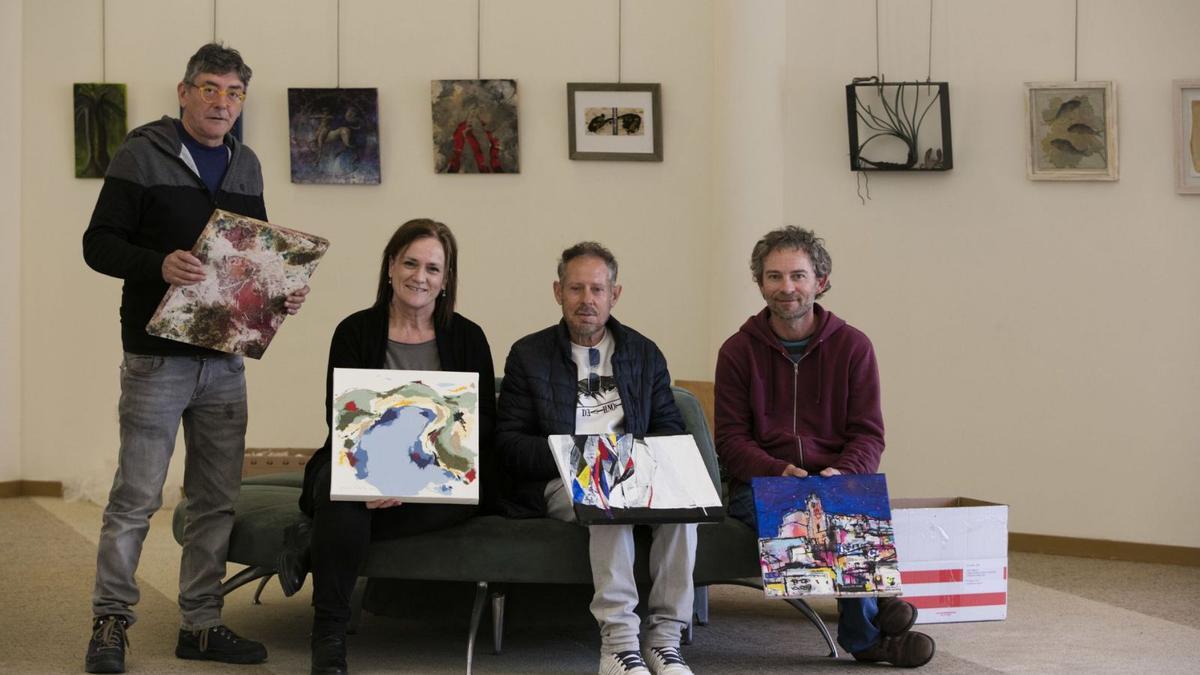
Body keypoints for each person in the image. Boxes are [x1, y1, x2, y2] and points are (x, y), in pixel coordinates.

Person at [81, 43, 308, 673]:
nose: (221, 102)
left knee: (215, 500)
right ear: (184, 92)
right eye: (210, 88)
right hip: (156, 359)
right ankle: (110, 623)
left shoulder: (247, 163)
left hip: (224, 360)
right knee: (135, 497)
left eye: (234, 93)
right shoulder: (141, 153)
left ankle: (201, 624)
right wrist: (155, 263)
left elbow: (251, 258)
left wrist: (279, 290)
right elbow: (98, 245)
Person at [714, 226, 935, 668]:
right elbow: (730, 440)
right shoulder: (738, 351)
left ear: (822, 280)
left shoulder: (854, 347)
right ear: (760, 283)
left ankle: (876, 618)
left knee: (840, 499)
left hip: (836, 476)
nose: (786, 288)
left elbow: (869, 434)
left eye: (798, 275)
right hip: (760, 483)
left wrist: (843, 472)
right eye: (774, 277)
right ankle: (874, 626)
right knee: (815, 509)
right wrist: (777, 471)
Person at [289, 219, 497, 675]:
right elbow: (340, 416)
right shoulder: (354, 331)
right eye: (410, 263)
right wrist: (376, 477)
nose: (419, 277)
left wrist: (410, 479)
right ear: (389, 267)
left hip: (439, 474)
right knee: (344, 499)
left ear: (446, 280)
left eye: (433, 268)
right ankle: (328, 637)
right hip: (359, 462)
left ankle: (311, 546)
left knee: (353, 511)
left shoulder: (468, 337)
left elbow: (480, 427)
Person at [496, 242, 697, 675]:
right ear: (558, 292)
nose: (587, 300)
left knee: (684, 512)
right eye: (576, 288)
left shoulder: (643, 353)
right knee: (605, 499)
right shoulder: (528, 355)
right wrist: (577, 457)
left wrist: (634, 461)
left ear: (615, 295)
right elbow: (509, 443)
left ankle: (665, 641)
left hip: (633, 471)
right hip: (561, 481)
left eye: (597, 289)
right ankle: (619, 645)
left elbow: (668, 427)